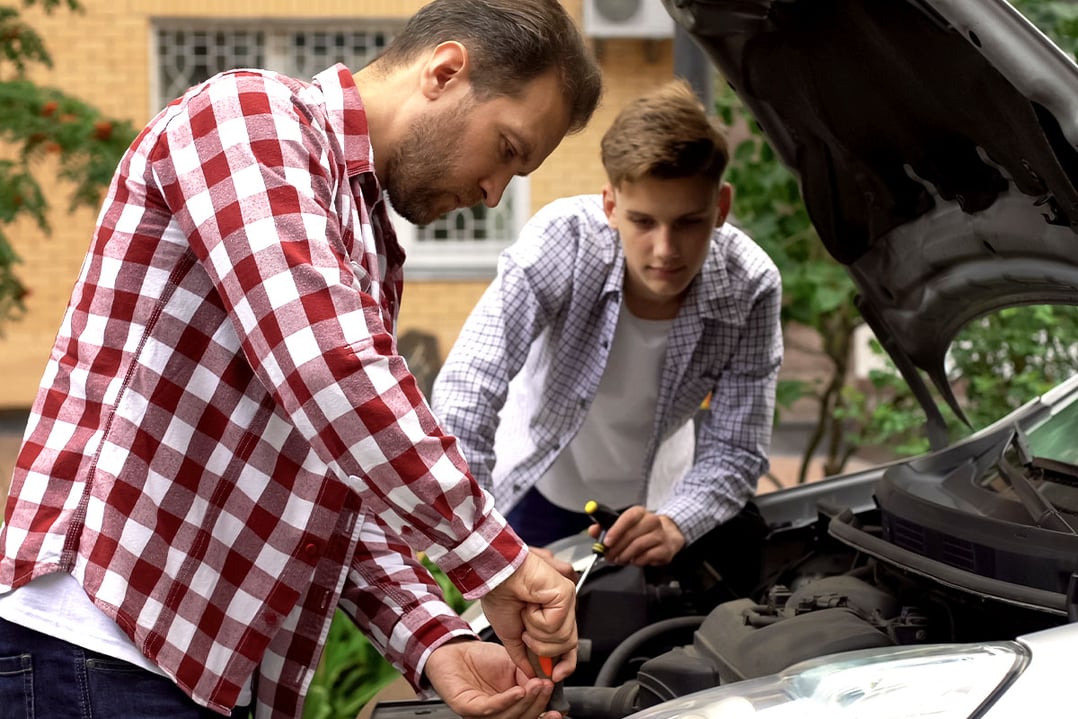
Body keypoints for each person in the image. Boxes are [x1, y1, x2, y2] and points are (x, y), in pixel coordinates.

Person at [0, 1, 602, 717]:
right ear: (444, 71)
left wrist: (433, 640)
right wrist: (500, 560)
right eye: (506, 148)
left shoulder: (366, 242)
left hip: (188, 676)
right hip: (95, 647)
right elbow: (331, 371)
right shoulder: (246, 119)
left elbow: (337, 494)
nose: (492, 193)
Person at [431, 80, 782, 567]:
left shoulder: (752, 284)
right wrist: (484, 545)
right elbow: (470, 384)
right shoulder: (563, 240)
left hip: (659, 508)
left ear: (720, 208)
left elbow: (737, 447)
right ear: (611, 206)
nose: (665, 250)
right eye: (643, 221)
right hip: (538, 489)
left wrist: (677, 522)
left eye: (688, 222)